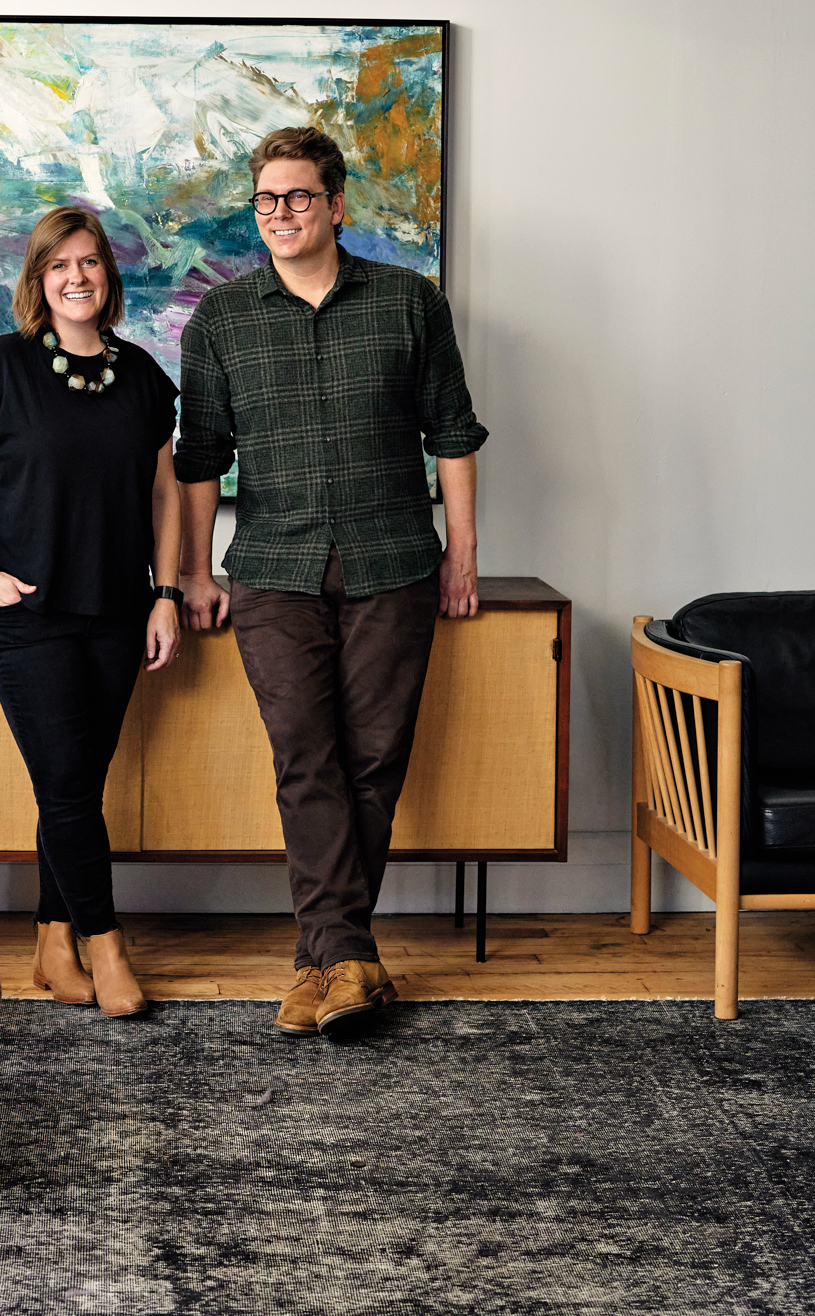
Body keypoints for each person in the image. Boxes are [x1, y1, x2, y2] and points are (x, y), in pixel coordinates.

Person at [174, 126, 488, 1039]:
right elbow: (201, 459)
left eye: (299, 197)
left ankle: (325, 963)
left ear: (337, 204)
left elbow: (454, 437)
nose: (280, 214)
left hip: (395, 562)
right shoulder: (221, 320)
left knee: (376, 762)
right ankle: (346, 956)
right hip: (273, 570)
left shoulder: (409, 304)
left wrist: (461, 558)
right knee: (305, 758)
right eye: (266, 200)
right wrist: (194, 571)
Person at [0, 205, 182, 1018]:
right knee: (71, 791)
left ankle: (49, 943)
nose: (77, 277)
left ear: (108, 276)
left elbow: (165, 495)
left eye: (91, 263)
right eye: (59, 265)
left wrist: (166, 592)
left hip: (115, 613)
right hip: (25, 618)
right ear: (39, 282)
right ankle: (105, 947)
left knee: (69, 785)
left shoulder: (142, 377)